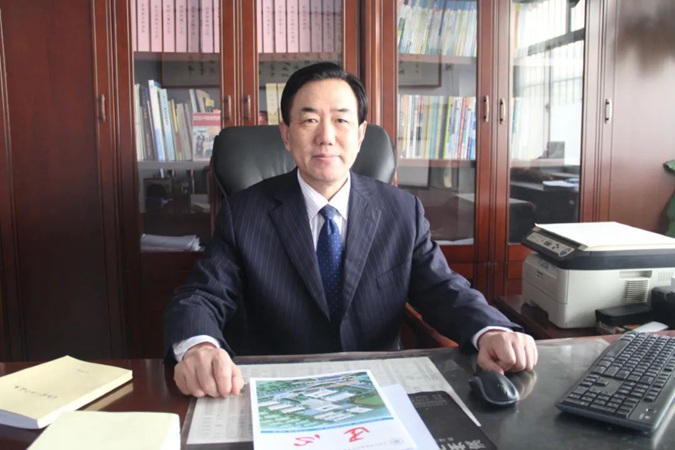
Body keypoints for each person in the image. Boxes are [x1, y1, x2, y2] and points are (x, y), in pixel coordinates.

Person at [163, 62, 538, 398]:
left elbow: (442, 288)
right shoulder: (244, 213)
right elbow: (202, 295)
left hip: (377, 386)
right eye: (309, 120)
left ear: (360, 135)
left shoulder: (401, 211)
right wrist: (199, 347)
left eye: (341, 120)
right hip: (280, 390)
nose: (326, 136)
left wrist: (491, 330)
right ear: (286, 134)